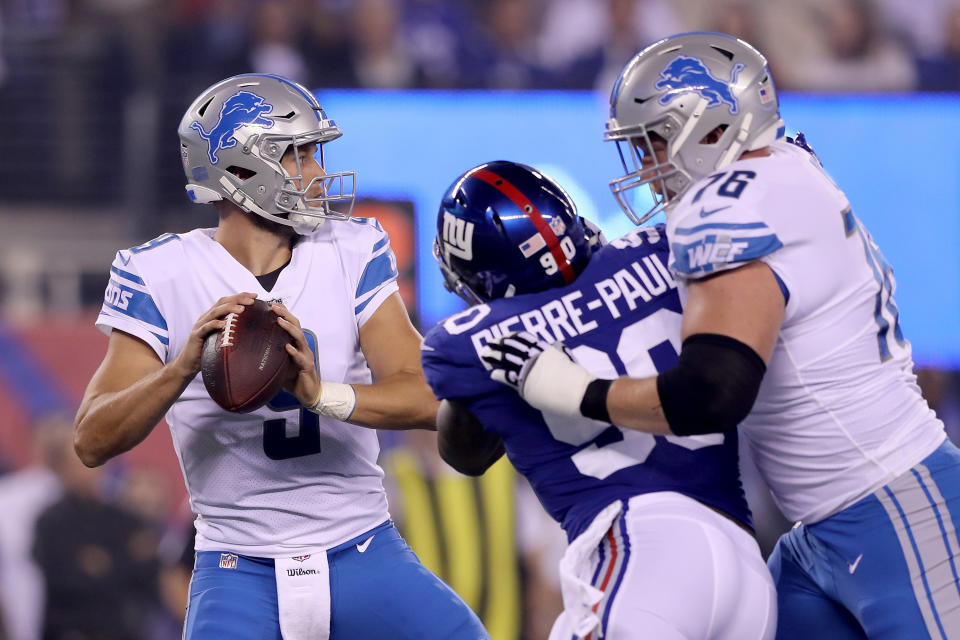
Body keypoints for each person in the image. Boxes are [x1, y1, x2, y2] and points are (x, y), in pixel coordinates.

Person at [482, 32, 960, 639]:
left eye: (654, 143)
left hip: (895, 507)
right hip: (821, 531)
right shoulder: (781, 170)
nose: (649, 171)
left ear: (710, 126)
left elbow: (712, 394)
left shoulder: (727, 203)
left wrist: (578, 391)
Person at [74, 73, 487, 640]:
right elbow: (92, 440)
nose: (317, 174)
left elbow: (428, 394)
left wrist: (324, 397)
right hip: (235, 567)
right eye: (298, 155)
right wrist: (180, 370)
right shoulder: (159, 274)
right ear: (239, 170)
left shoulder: (351, 249)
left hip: (363, 548)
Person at [421, 160, 776, 639]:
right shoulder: (661, 251)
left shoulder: (475, 341)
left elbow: (461, 452)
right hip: (744, 562)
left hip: (640, 547)